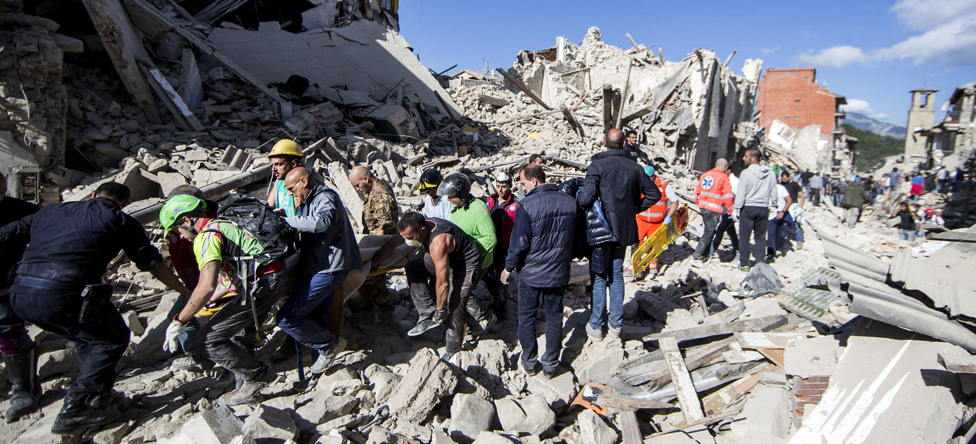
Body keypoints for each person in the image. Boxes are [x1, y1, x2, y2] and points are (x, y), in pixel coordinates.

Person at [1, 183, 189, 434]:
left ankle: (100, 395)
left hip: (20, 296)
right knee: (113, 339)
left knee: (87, 337)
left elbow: (7, 234)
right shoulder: (121, 221)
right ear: (123, 204)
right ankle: (76, 407)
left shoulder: (50, 211)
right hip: (64, 295)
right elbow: (152, 264)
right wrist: (185, 291)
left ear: (92, 195)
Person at [158, 194, 286, 407]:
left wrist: (179, 321)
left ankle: (256, 376)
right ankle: (244, 384)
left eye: (175, 230)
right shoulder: (221, 224)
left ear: (187, 220)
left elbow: (205, 286)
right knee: (233, 333)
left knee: (207, 339)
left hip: (262, 284)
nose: (179, 237)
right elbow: (235, 269)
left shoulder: (205, 237)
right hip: (273, 275)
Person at [276, 167, 362, 374]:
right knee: (317, 318)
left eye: (291, 188)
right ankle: (322, 364)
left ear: (304, 181)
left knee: (287, 317)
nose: (290, 193)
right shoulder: (308, 202)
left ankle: (329, 346)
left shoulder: (325, 196)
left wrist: (288, 221)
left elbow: (322, 222)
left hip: (329, 268)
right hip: (318, 267)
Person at [577, 129, 659, 341]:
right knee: (616, 276)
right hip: (623, 230)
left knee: (598, 277)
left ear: (605, 143)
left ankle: (596, 326)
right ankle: (615, 325)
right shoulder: (636, 168)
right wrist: (633, 209)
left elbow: (585, 199)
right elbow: (655, 194)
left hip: (600, 231)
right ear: (624, 143)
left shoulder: (597, 166)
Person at [502, 164, 576, 378]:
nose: (522, 188)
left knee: (526, 317)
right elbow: (576, 237)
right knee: (554, 317)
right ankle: (551, 365)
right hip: (559, 271)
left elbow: (519, 243)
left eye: (523, 183)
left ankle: (529, 363)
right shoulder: (570, 202)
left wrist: (508, 268)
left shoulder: (526, 205)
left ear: (534, 181)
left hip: (532, 274)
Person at [398, 212, 483, 363]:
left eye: (411, 238)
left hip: (467, 263)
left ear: (422, 230)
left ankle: (453, 348)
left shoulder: (438, 241)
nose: (408, 241)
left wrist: (441, 309)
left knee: (455, 301)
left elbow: (442, 283)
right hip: (448, 258)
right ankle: (426, 313)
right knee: (413, 267)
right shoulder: (420, 227)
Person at [164, 185, 219, 372]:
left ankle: (231, 358)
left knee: (224, 319)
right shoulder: (178, 227)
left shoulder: (212, 225)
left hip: (218, 281)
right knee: (179, 316)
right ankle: (200, 355)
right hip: (195, 282)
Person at [0, 172, 40, 422]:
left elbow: (44, 240)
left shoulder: (22, 211)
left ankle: (23, 388)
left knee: (9, 332)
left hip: (6, 283)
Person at [439, 173, 498, 337]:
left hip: (477, 261)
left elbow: (490, 238)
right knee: (455, 289)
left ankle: (484, 318)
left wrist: (470, 254)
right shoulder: (457, 208)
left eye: (452, 197)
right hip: (460, 260)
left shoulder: (479, 210)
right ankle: (468, 321)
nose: (449, 200)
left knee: (460, 291)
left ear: (462, 194)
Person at [348, 166, 399, 321]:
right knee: (367, 281)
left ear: (366, 179)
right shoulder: (372, 190)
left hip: (380, 246)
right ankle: (368, 311)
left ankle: (386, 317)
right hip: (373, 243)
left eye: (357, 185)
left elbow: (384, 228)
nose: (357, 189)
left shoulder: (380, 195)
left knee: (374, 281)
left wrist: (375, 254)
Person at [732, 148, 778, 272]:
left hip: (748, 208)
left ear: (753, 159)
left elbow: (741, 193)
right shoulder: (771, 173)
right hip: (763, 209)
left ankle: (745, 264)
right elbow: (774, 191)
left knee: (744, 238)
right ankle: (759, 263)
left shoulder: (746, 173)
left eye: (745, 156)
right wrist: (774, 205)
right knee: (760, 238)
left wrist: (736, 208)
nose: (743, 158)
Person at [484, 172, 519, 318]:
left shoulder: (515, 204)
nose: (500, 190)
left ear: (510, 187)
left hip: (504, 248)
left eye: (504, 186)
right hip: (489, 245)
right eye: (498, 186)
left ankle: (500, 311)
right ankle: (495, 294)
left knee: (502, 279)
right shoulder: (489, 201)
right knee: (484, 274)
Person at [636, 165, 680, 274]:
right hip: (641, 220)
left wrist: (669, 216)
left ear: (653, 177)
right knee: (637, 244)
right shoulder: (639, 185)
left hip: (657, 223)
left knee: (654, 246)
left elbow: (674, 201)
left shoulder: (664, 187)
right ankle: (636, 268)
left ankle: (652, 268)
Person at [691, 159, 734, 268]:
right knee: (709, 232)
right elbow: (727, 196)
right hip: (714, 209)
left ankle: (705, 255)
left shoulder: (705, 175)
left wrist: (699, 203)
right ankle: (697, 256)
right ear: (724, 166)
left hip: (703, 207)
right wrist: (730, 210)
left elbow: (697, 192)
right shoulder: (723, 177)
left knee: (710, 231)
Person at [266, 139, 304, 217]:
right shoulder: (279, 181)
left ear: (293, 164)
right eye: (273, 165)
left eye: (278, 164)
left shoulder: (301, 184)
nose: (273, 169)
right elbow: (268, 206)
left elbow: (301, 215)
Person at [711, 171, 740, 263]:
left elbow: (736, 197)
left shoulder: (735, 181)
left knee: (720, 230)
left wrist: (734, 210)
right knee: (731, 232)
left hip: (731, 212)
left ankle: (711, 252)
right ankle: (737, 251)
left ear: (729, 170)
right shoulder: (726, 180)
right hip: (726, 211)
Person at [766, 178, 793, 260]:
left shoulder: (781, 188)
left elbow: (789, 200)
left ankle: (778, 249)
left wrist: (783, 211)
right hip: (770, 213)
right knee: (771, 234)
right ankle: (771, 253)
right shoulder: (765, 188)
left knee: (780, 233)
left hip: (781, 212)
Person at [779, 171, 805, 250]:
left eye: (785, 179)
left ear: (789, 177)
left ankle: (799, 241)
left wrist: (800, 206)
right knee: (782, 225)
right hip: (784, 207)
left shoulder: (794, 185)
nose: (784, 180)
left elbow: (801, 195)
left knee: (797, 225)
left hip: (793, 208)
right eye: (783, 179)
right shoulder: (781, 185)